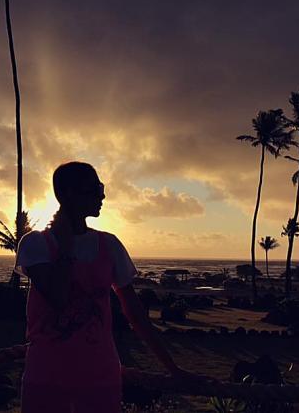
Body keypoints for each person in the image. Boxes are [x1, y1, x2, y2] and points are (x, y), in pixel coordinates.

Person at [14, 161, 210, 413]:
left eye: (101, 187)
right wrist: (65, 248)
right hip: (46, 379)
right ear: (67, 194)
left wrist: (173, 369)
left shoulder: (110, 245)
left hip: (101, 378)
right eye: (94, 188)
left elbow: (136, 315)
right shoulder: (35, 244)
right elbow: (59, 297)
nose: (102, 195)